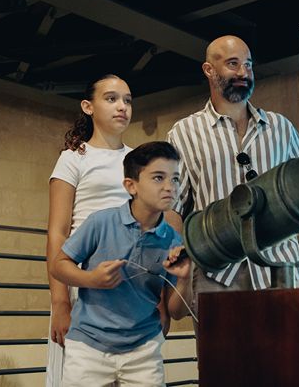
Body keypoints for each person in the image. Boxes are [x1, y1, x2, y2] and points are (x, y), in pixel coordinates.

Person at [166, 35, 299, 312]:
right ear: (209, 70)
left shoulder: (280, 127)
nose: (243, 73)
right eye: (233, 64)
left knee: (287, 355)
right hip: (215, 275)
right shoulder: (183, 133)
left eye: (248, 65)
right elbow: (173, 208)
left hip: (280, 269)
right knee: (222, 357)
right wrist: (173, 272)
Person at [50, 141, 191, 387]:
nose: (170, 187)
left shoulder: (174, 241)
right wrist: (91, 279)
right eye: (159, 178)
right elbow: (59, 265)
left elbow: (177, 312)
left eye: (176, 179)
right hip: (88, 346)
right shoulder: (100, 222)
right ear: (131, 185)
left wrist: (186, 278)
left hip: (144, 350)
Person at [46, 74, 142, 386]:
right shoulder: (73, 159)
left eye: (127, 100)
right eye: (111, 98)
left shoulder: (139, 162)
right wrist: (60, 303)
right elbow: (57, 232)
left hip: (129, 287)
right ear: (88, 106)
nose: (122, 107)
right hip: (83, 285)